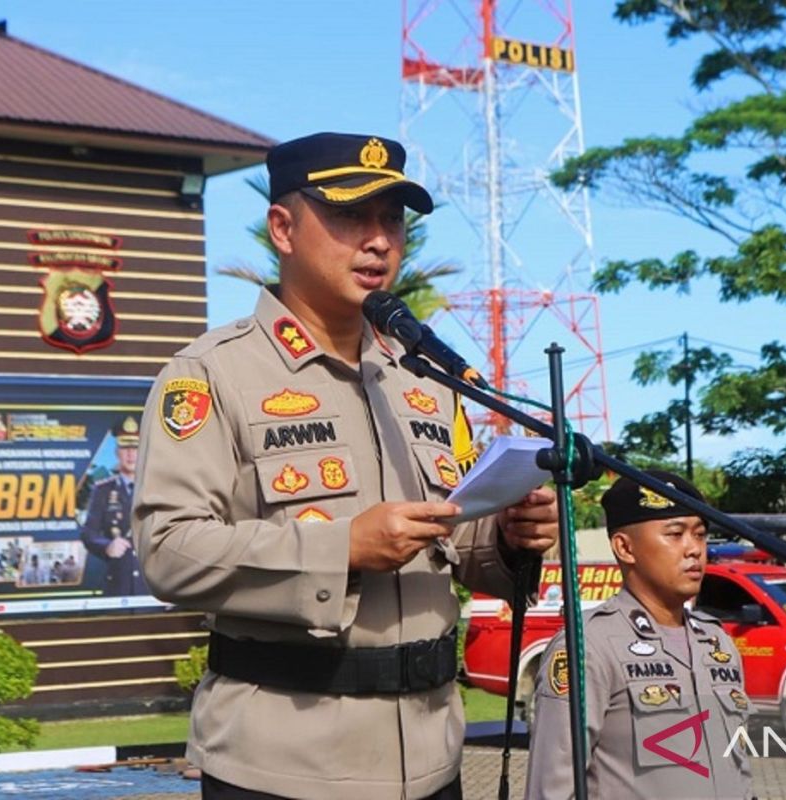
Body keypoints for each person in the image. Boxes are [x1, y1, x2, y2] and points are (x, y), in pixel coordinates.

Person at [133, 131, 559, 800]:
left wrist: (504, 535)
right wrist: (343, 548)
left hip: (432, 760)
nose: (379, 239)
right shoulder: (212, 374)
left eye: (391, 217)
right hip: (283, 767)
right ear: (283, 227)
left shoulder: (425, 381)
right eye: (348, 215)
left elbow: (449, 537)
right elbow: (167, 551)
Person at [525, 470, 754, 799]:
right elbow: (552, 788)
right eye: (675, 534)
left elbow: (738, 766)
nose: (694, 550)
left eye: (700, 535)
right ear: (625, 548)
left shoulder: (716, 643)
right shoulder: (589, 645)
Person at [80, 416, 147, 596]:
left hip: (152, 589)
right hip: (119, 584)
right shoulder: (102, 490)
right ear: (117, 451)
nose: (131, 454)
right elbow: (88, 533)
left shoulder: (160, 489)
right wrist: (108, 546)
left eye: (136, 448)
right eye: (125, 447)